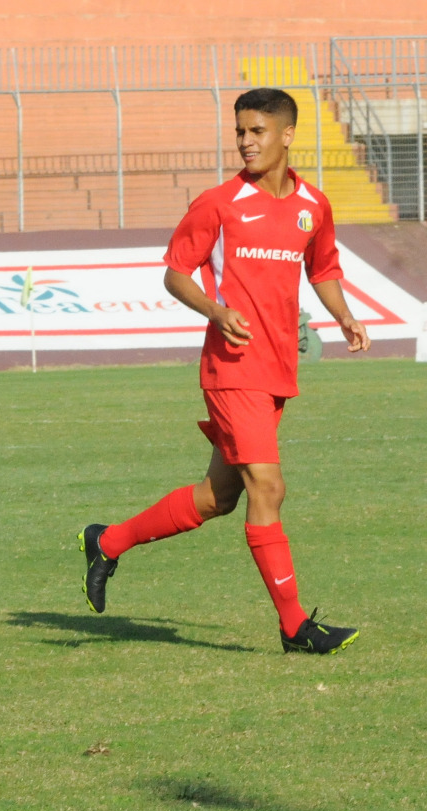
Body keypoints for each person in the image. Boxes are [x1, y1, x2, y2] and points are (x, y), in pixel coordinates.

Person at [79, 87, 369, 654]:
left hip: (278, 369)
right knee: (269, 486)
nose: (245, 142)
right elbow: (175, 273)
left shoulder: (314, 204)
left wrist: (345, 316)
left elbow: (323, 267)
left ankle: (107, 543)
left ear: (287, 134)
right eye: (240, 131)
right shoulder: (219, 203)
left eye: (256, 131)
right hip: (232, 369)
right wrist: (214, 310)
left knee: (219, 496)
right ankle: (295, 629)